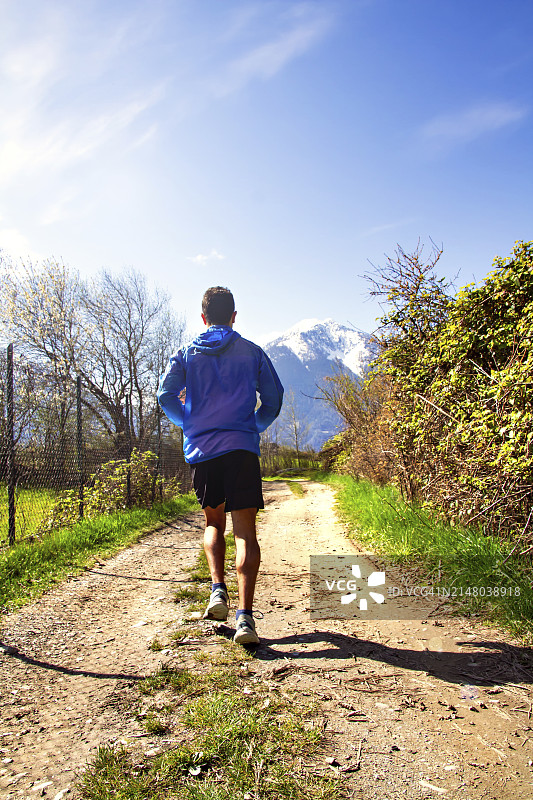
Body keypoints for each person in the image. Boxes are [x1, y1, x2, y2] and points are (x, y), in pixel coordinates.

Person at [157, 287, 284, 644]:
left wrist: (191, 424)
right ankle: (246, 620)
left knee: (213, 523)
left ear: (203, 317)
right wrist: (252, 426)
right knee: (245, 531)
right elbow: (273, 399)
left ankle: (217, 590)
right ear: (233, 316)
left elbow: (165, 395)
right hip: (241, 450)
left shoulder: (186, 354)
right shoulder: (252, 352)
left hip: (204, 452)